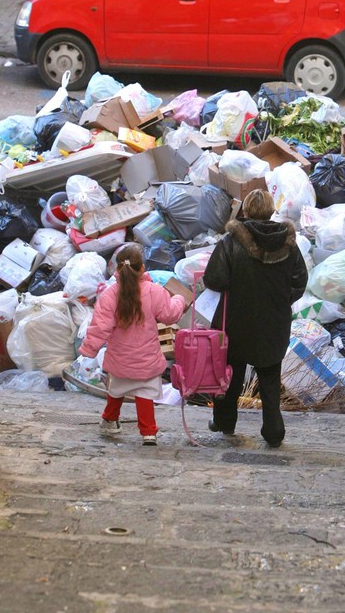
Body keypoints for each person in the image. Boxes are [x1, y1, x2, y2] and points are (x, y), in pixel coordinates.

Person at [203, 189, 308, 448]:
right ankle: (273, 431)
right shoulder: (289, 244)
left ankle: (225, 422)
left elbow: (214, 280)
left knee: (231, 374)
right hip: (274, 322)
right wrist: (280, 301)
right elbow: (300, 281)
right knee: (270, 376)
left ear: (246, 211)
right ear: (271, 211)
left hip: (235, 320)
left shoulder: (231, 242)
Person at [79, 243, 186, 446]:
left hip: (120, 358)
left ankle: (109, 420)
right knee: (144, 392)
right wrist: (179, 299)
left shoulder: (109, 296)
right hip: (147, 358)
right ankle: (148, 432)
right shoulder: (154, 291)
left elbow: (99, 327)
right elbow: (170, 315)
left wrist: (89, 350)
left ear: (117, 268)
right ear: (142, 268)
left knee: (117, 389)